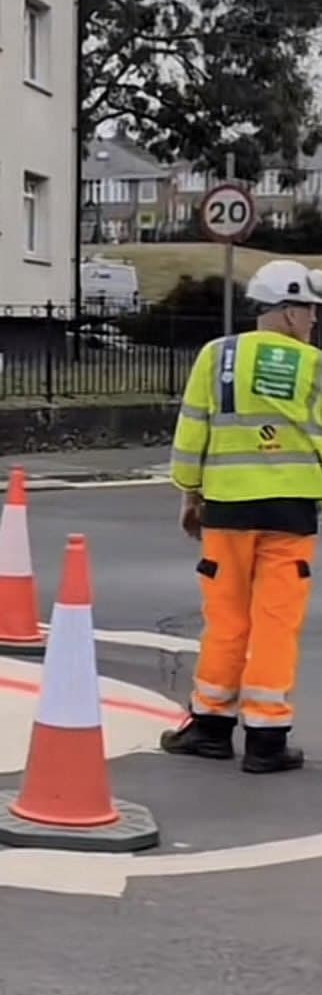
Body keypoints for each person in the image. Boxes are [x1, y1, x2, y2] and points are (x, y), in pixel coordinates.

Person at [162, 258, 322, 773]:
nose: (315, 320)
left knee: (226, 619)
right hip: (292, 513)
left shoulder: (217, 356)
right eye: (311, 310)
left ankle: (210, 727)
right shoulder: (313, 365)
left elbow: (193, 429)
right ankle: (266, 740)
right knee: (277, 622)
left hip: (227, 509)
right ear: (290, 311)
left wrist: (189, 493)